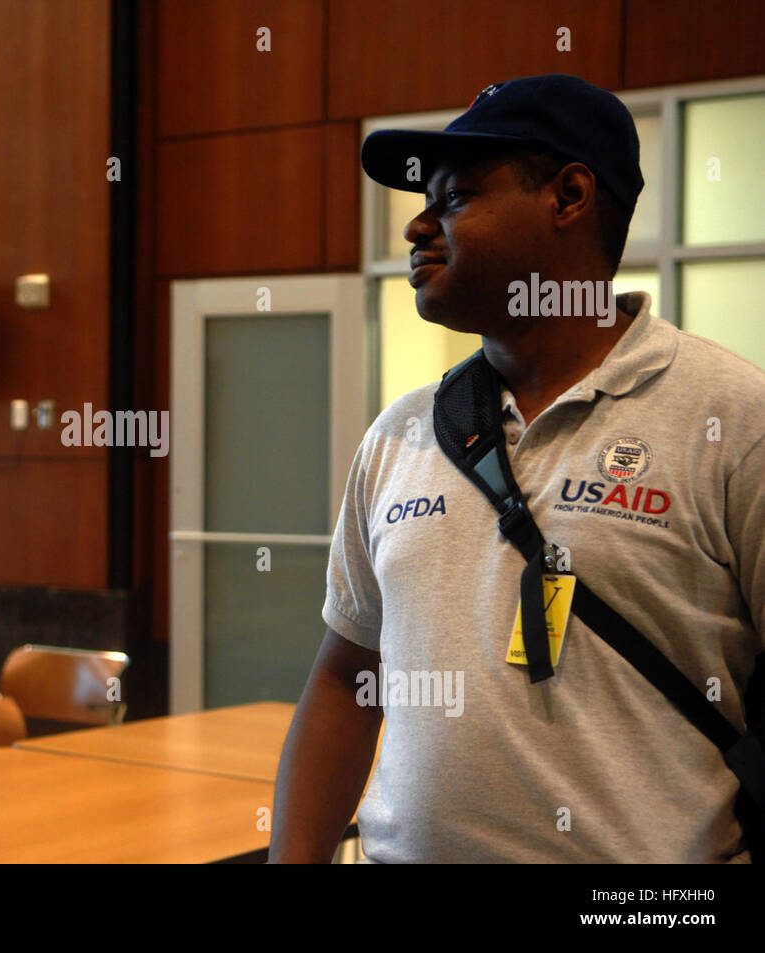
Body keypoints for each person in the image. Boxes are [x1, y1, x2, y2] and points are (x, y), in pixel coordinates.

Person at [271, 74, 765, 862]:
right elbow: (344, 678)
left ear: (569, 196)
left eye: (455, 197)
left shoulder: (734, 419)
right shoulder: (401, 436)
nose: (416, 225)